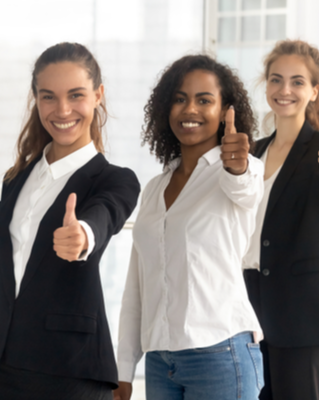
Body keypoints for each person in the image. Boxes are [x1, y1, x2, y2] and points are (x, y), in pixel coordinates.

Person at [0, 42, 140, 400]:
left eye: (76, 95)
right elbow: (10, 288)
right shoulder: (16, 180)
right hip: (11, 374)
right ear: (36, 99)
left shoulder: (114, 179)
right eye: (49, 97)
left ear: (98, 95)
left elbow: (105, 214)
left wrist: (82, 235)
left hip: (73, 375)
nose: (62, 110)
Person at [114, 55, 264, 400]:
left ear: (227, 110)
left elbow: (244, 186)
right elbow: (137, 286)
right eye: (180, 99)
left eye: (204, 100)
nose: (189, 109)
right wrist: (124, 369)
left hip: (221, 354)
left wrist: (237, 165)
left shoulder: (239, 171)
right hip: (160, 362)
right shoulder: (154, 188)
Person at [242, 40, 319, 400]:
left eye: (297, 82)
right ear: (266, 86)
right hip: (248, 306)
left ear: (314, 91)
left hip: (302, 312)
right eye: (276, 80)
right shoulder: (253, 152)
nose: (285, 90)